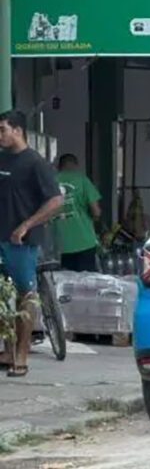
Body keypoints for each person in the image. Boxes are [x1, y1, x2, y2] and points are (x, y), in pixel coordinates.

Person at [0, 110, 64, 378]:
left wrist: (27, 225)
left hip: (21, 242)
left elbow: (55, 200)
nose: (0, 135)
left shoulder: (35, 163)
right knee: (4, 298)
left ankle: (22, 355)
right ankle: (7, 349)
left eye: (2, 129)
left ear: (18, 130)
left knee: (26, 296)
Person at [54, 154, 102, 273]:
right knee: (86, 284)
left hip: (59, 244)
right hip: (84, 242)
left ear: (59, 166)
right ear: (76, 165)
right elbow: (96, 212)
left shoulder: (51, 181)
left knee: (63, 284)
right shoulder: (82, 180)